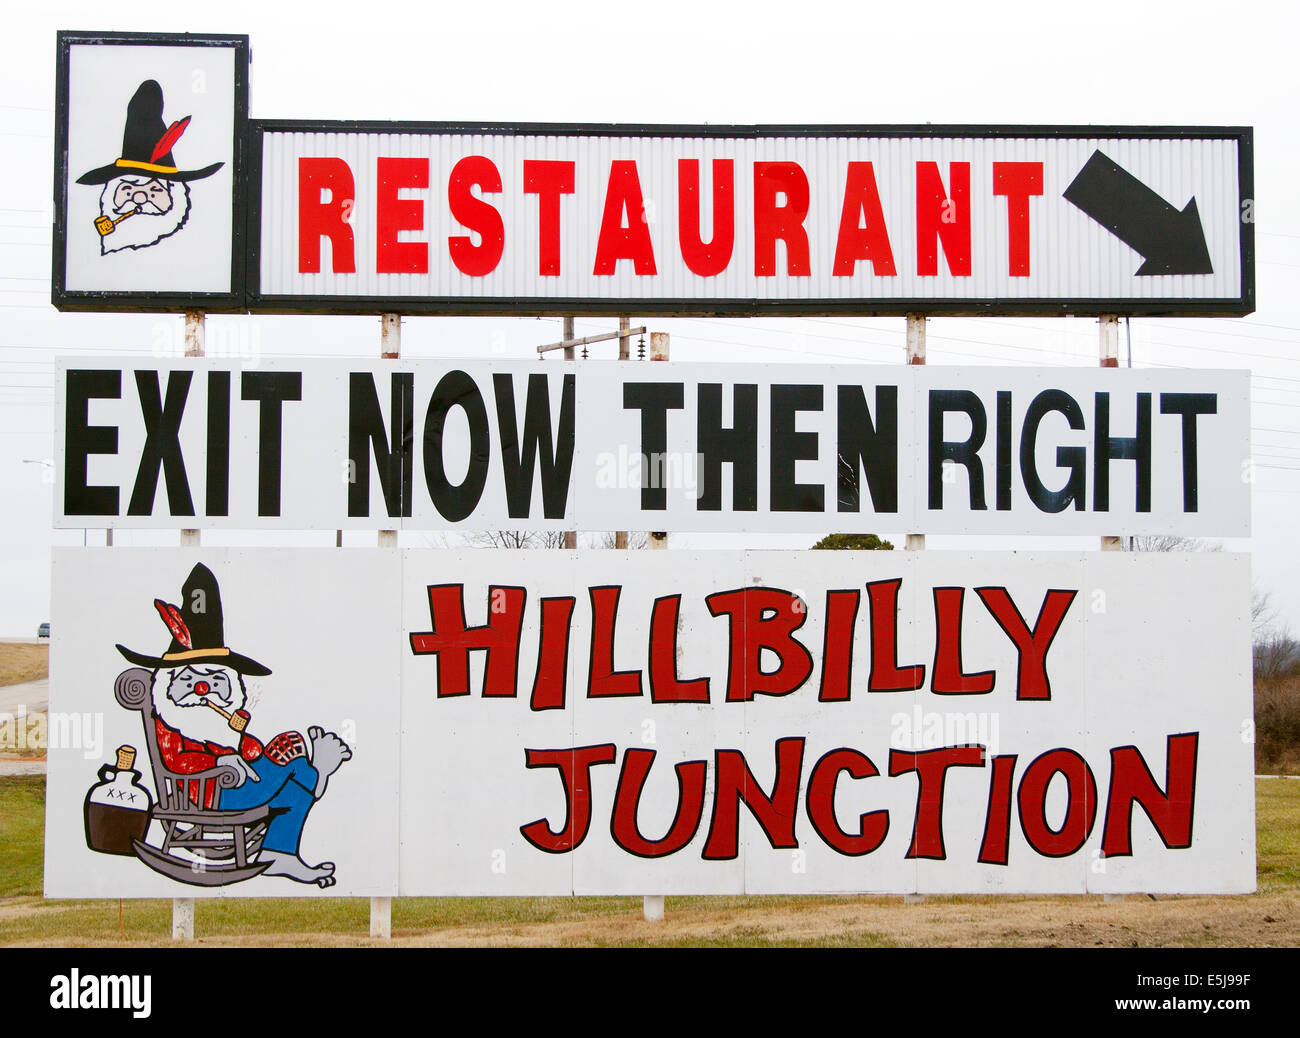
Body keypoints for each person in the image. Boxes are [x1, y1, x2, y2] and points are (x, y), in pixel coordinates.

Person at [116, 563, 351, 886]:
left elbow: (250, 752)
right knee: (296, 766)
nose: (203, 689)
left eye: (214, 680)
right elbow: (174, 761)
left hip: (234, 784)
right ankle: (319, 771)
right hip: (207, 792)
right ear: (168, 684)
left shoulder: (217, 721)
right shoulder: (170, 721)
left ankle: (279, 854)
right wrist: (220, 761)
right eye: (190, 680)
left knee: (292, 782)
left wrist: (240, 737)